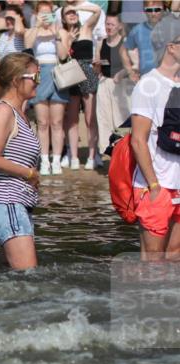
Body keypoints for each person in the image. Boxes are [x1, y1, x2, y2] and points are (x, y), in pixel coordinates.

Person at [0, 53, 42, 270]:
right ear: (17, 80)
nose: (39, 82)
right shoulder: (4, 111)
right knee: (28, 275)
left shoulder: (20, 114)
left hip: (19, 203)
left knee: (12, 277)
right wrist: (29, 174)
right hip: (7, 202)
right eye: (35, 77)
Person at [128, 18, 180, 260]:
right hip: (156, 184)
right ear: (171, 46)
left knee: (175, 255)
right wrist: (154, 186)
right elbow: (137, 140)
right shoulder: (149, 84)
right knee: (153, 258)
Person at [25, 1, 70, 176]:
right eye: (42, 14)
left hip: (57, 72)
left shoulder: (61, 31)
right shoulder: (32, 32)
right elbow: (28, 45)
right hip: (39, 73)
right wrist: (37, 26)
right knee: (42, 122)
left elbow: (63, 55)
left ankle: (56, 160)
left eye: (49, 13)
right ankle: (44, 160)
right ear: (36, 14)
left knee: (57, 122)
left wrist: (57, 34)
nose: (46, 17)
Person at [61, 3, 103, 170]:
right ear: (63, 18)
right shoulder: (63, 32)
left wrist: (76, 7)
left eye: (74, 13)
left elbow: (98, 10)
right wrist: (69, 40)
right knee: (71, 119)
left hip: (87, 72)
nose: (72, 15)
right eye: (68, 13)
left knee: (90, 118)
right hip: (71, 73)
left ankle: (93, 156)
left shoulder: (86, 28)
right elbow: (63, 56)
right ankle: (74, 156)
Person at [96, 13, 132, 156]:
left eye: (111, 24)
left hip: (122, 85)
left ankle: (124, 154)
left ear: (119, 26)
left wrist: (121, 73)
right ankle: (109, 154)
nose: (108, 27)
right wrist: (97, 65)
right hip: (104, 83)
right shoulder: (101, 42)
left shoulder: (125, 43)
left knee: (121, 120)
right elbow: (97, 67)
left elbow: (131, 65)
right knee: (104, 120)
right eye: (107, 24)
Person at [123, 1, 167, 81]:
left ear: (163, 10)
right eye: (149, 10)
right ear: (144, 11)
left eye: (157, 10)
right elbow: (123, 51)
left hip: (168, 80)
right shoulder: (137, 30)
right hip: (145, 79)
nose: (153, 13)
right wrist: (130, 71)